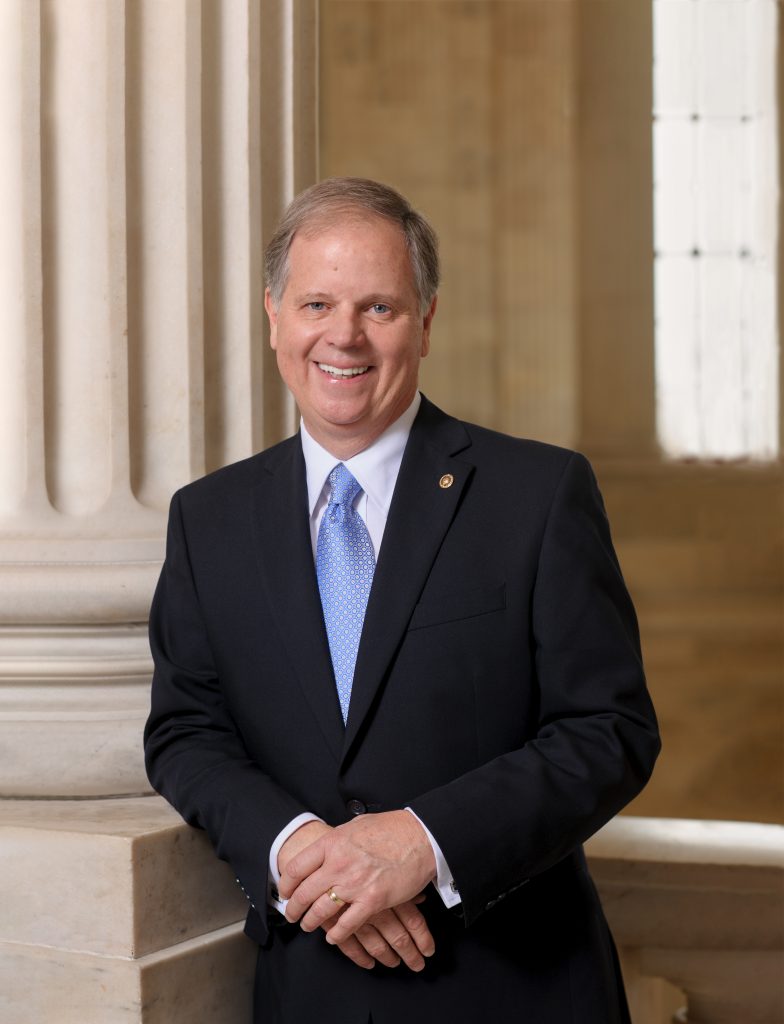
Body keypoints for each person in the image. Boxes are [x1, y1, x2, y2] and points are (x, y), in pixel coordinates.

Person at [144, 177, 660, 1024]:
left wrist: (423, 843)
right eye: (316, 302)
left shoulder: (537, 494)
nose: (343, 335)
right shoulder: (208, 519)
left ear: (424, 321)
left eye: (378, 307)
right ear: (274, 316)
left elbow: (609, 731)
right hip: (309, 985)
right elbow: (185, 732)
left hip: (514, 986)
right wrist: (299, 850)